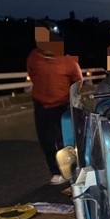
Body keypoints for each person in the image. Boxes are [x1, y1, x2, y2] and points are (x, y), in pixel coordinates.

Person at [27, 21, 83, 185]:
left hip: (62, 106)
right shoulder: (33, 57)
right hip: (41, 106)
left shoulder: (68, 61)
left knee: (65, 140)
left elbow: (78, 81)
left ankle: (72, 169)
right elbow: (32, 74)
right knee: (46, 140)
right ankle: (55, 171)